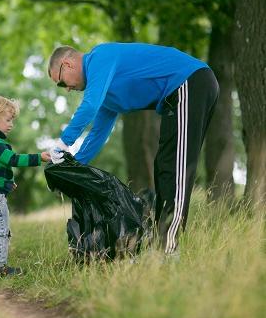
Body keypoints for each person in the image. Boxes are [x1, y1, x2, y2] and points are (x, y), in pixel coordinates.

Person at [47, 43, 219, 254]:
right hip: (179, 93)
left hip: (189, 82)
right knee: (164, 166)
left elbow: (89, 106)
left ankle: (168, 249)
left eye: (61, 82)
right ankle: (161, 246)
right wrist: (72, 167)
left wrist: (63, 143)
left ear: (68, 64)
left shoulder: (99, 57)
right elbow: (98, 134)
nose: (67, 88)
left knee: (175, 168)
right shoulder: (107, 92)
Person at [0, 94, 51, 279]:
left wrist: (7, 181)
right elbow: (13, 159)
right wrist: (39, 158)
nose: (11, 124)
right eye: (7, 120)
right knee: (0, 231)